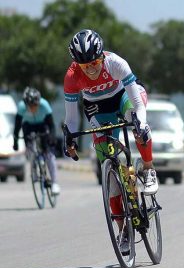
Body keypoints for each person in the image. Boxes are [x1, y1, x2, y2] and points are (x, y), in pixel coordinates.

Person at [63, 29, 158, 253]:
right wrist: (70, 139)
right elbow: (72, 118)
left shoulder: (115, 63)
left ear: (102, 57)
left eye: (95, 62)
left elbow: (137, 101)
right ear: (77, 65)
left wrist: (141, 123)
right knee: (112, 180)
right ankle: (123, 230)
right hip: (96, 108)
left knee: (134, 119)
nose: (92, 69)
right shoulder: (71, 77)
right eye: (86, 66)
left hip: (123, 96)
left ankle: (149, 168)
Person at [12, 87, 61, 195]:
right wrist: (15, 140)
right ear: (26, 104)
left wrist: (52, 137)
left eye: (35, 105)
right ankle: (34, 166)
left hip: (42, 125)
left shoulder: (44, 104)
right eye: (31, 106)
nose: (33, 108)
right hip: (28, 126)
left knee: (49, 154)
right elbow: (17, 126)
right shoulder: (21, 107)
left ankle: (54, 183)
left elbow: (51, 125)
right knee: (29, 146)